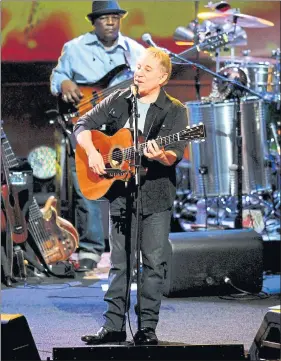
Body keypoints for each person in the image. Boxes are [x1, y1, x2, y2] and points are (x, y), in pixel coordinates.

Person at [74, 47, 189, 345]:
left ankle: (147, 327)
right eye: (138, 67)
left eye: (147, 69)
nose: (138, 73)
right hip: (121, 194)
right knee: (119, 262)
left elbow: (173, 156)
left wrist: (160, 154)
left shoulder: (175, 110)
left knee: (152, 263)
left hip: (156, 196)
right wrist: (92, 153)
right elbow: (82, 125)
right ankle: (113, 326)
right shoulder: (120, 100)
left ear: (163, 77)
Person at [50, 1, 145, 271]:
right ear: (94, 22)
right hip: (85, 123)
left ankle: (129, 248)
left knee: (128, 183)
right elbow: (58, 76)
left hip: (122, 126)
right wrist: (64, 82)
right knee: (86, 185)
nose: (112, 23)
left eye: (116, 18)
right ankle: (91, 249)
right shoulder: (75, 48)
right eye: (105, 19)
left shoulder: (135, 51)